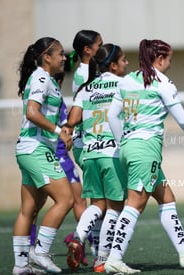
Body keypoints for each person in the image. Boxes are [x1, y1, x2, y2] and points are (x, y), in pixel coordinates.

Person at [105, 39, 184, 274]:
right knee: (135, 203)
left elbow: (112, 116)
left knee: (166, 198)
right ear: (160, 58)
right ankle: (114, 258)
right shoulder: (162, 83)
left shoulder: (127, 79)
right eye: (169, 59)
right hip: (145, 150)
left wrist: (124, 143)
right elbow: (182, 120)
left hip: (130, 148)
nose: (170, 64)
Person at [65, 43, 129, 273]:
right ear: (112, 64)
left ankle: (77, 239)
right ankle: (101, 259)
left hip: (90, 153)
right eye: (123, 60)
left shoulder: (85, 87)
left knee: (96, 205)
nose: (127, 64)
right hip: (112, 153)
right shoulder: (123, 84)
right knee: (114, 207)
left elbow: (72, 120)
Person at [12, 37, 73, 275]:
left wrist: (64, 130)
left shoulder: (46, 79)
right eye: (60, 53)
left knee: (30, 209)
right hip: (35, 148)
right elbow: (32, 112)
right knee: (65, 199)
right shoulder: (40, 77)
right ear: (47, 57)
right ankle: (41, 252)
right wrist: (59, 132)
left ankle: (20, 266)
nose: (64, 57)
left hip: (31, 148)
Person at [64, 29, 104, 261]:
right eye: (100, 44)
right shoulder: (86, 73)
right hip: (91, 143)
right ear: (87, 50)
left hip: (89, 143)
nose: (103, 47)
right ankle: (91, 247)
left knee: (101, 200)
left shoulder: (88, 71)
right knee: (103, 201)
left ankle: (91, 246)